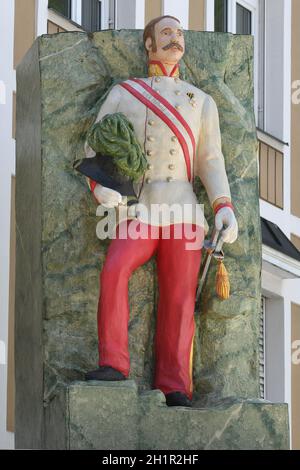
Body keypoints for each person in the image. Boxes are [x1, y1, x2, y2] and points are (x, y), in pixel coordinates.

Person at [85, 15, 238, 407]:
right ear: (149, 45)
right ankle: (114, 363)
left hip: (184, 210)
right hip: (138, 206)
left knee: (180, 297)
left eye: (180, 33)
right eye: (167, 32)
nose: (176, 39)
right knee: (115, 268)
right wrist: (102, 187)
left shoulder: (201, 101)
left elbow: (210, 159)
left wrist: (223, 206)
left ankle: (174, 384)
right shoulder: (125, 93)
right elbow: (97, 145)